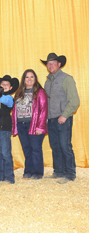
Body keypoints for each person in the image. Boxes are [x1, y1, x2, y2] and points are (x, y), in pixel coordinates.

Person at [41, 53, 80, 184]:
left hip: (63, 118)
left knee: (65, 146)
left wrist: (65, 115)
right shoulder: (47, 81)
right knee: (55, 146)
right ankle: (58, 171)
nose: (50, 65)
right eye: (48, 63)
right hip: (51, 119)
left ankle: (70, 174)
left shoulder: (66, 79)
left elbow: (74, 100)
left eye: (53, 63)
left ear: (59, 64)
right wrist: (46, 118)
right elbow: (46, 102)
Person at [12, 69, 48, 180]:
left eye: (32, 77)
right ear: (23, 79)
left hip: (34, 125)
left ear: (35, 79)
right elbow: (14, 110)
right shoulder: (18, 93)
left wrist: (40, 127)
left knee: (35, 149)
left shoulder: (40, 92)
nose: (29, 79)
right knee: (27, 149)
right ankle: (28, 171)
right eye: (27, 77)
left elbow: (44, 110)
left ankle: (37, 173)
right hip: (21, 124)